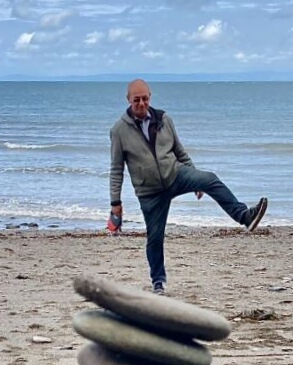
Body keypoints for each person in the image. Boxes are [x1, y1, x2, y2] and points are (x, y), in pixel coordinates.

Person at [109, 78, 268, 295]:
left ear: (150, 97)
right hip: (149, 192)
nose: (141, 103)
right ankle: (158, 282)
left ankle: (245, 217)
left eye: (145, 98)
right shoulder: (119, 130)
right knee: (154, 237)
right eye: (136, 99)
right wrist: (115, 203)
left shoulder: (164, 119)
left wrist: (193, 176)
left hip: (175, 174)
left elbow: (179, 151)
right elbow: (116, 169)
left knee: (210, 179)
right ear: (128, 100)